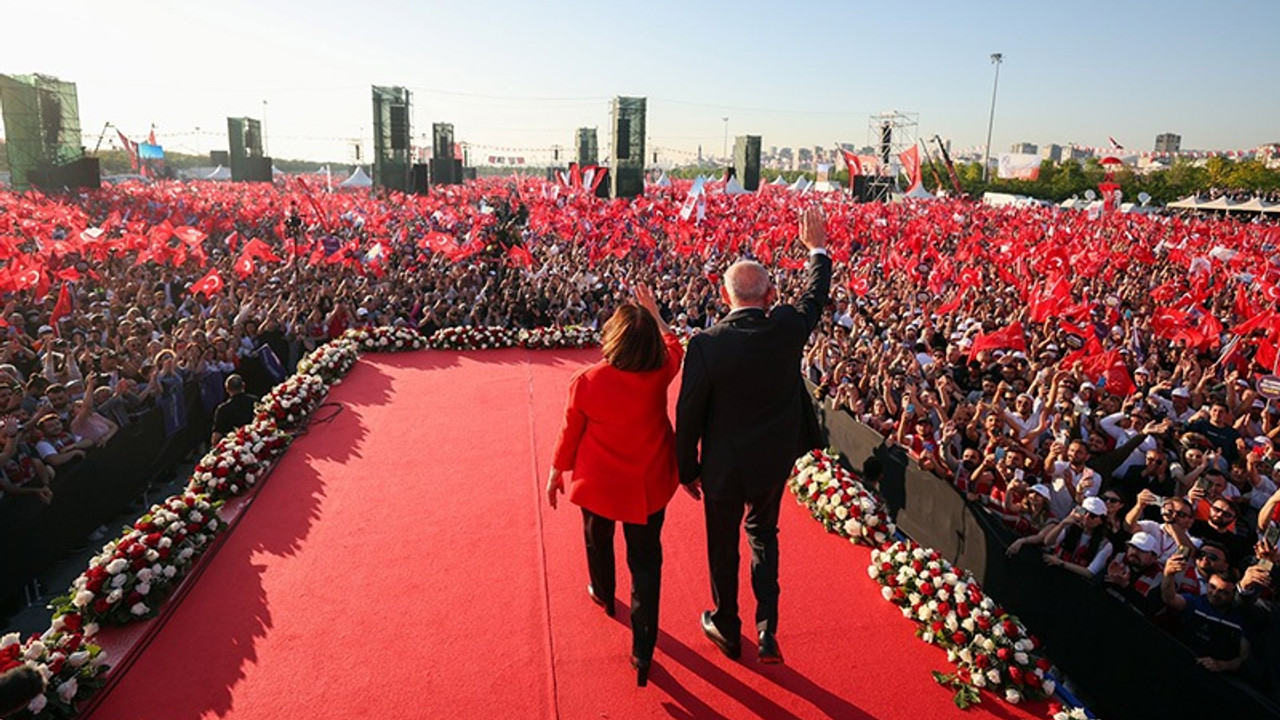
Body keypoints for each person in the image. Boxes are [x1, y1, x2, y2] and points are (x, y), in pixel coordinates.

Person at [675, 206, 831, 665]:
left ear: (725, 297)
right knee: (764, 534)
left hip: (723, 466)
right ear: (770, 295)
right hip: (772, 463)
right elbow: (814, 297)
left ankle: (727, 625)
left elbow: (687, 415)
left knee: (723, 548)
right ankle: (768, 630)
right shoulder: (786, 328)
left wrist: (687, 470)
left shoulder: (706, 344)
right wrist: (816, 249)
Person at [546, 284, 683, 687]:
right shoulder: (662, 370)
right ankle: (643, 650)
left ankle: (604, 592)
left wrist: (557, 470)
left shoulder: (587, 381)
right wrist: (654, 312)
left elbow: (570, 432)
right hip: (649, 484)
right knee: (646, 565)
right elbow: (674, 342)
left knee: (597, 539)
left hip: (600, 483)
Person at [210, 374, 258, 446]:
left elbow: (216, 437)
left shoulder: (223, 410)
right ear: (243, 385)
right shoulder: (254, 401)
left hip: (236, 446)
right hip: (257, 439)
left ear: (227, 389)